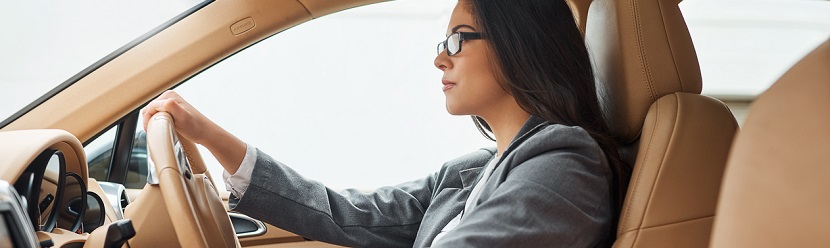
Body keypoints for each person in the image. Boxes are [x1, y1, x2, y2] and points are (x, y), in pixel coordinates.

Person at [142, 0, 629, 247]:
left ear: (521, 46)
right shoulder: (473, 170)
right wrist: (208, 135)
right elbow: (348, 214)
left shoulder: (567, 164)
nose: (440, 59)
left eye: (458, 39)